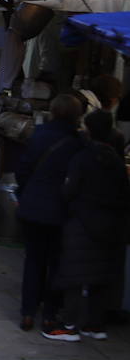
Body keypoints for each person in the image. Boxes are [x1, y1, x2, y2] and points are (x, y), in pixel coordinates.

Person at [55, 110, 130, 341]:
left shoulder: (82, 157)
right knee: (100, 273)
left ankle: (69, 323)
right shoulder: (116, 161)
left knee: (75, 275)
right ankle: (94, 324)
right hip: (108, 222)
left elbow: (69, 190)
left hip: (82, 220)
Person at [15, 93, 84, 336]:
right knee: (56, 262)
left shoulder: (40, 134)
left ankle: (27, 312)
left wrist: (24, 194)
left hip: (33, 206)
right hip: (60, 209)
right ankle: (50, 315)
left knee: (34, 260)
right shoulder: (77, 142)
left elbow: (23, 168)